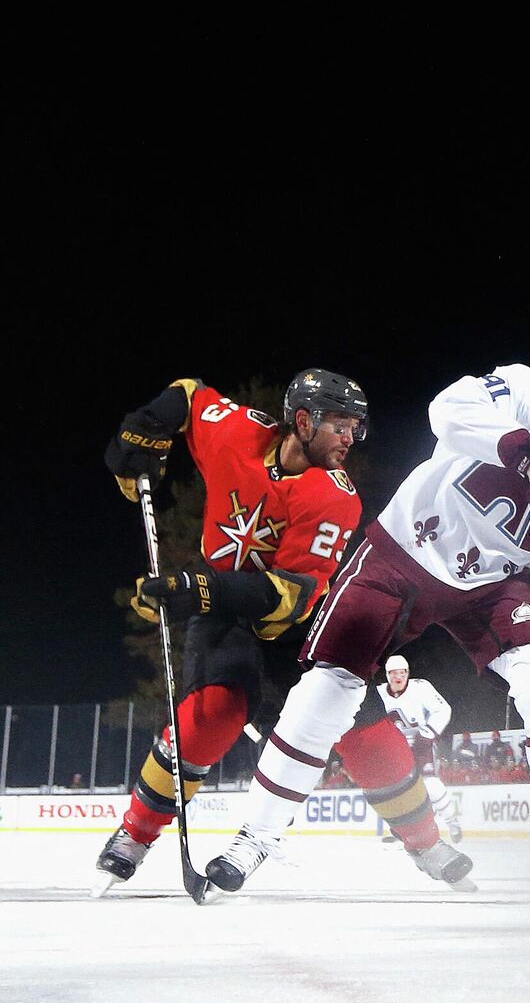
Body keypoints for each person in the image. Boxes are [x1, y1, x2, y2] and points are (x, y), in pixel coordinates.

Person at [209, 345, 530, 900]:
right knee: (327, 688)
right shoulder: (525, 389)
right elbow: (447, 409)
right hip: (401, 556)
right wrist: (524, 449)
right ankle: (254, 836)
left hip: (490, 584)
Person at [93, 369, 374, 892]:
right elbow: (188, 394)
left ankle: (429, 841)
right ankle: (134, 834)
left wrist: (195, 590)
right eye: (341, 425)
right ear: (304, 420)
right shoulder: (239, 433)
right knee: (211, 714)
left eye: (356, 428)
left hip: (299, 620)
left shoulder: (335, 496)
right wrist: (143, 429)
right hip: (227, 610)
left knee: (368, 730)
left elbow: (290, 597)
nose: (350, 439)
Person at [373, 653, 462, 842]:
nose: (398, 677)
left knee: (430, 784)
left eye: (402, 673)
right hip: (395, 747)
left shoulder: (420, 688)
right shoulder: (379, 693)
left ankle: (452, 821)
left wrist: (428, 733)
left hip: (421, 742)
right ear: (387, 675)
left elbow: (443, 709)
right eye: (393, 673)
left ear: (408, 673)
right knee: (397, 790)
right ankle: (405, 830)